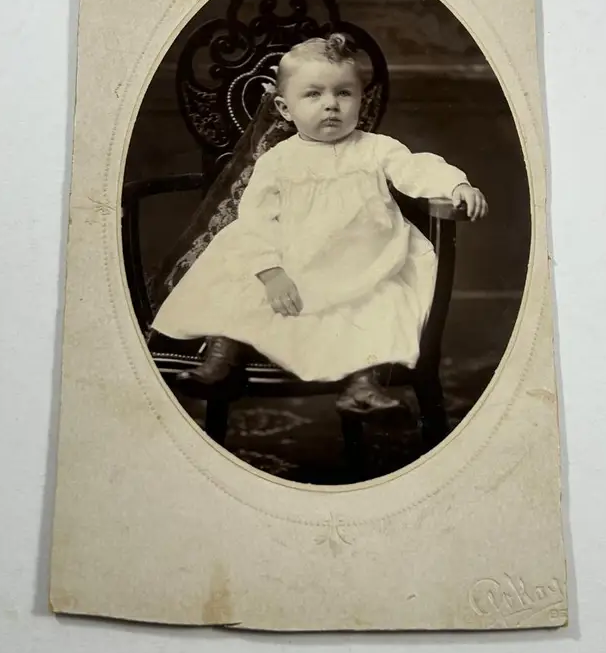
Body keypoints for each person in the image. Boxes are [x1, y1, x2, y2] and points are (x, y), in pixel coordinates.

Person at [150, 34, 488, 413]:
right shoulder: (277, 161)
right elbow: (255, 219)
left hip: (363, 265)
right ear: (284, 107)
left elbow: (416, 168)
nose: (331, 105)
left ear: (362, 98)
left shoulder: (376, 149)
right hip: (292, 266)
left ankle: (362, 383)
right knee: (238, 287)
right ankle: (221, 360)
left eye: (344, 93)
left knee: (384, 304)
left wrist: (455, 183)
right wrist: (271, 270)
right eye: (313, 95)